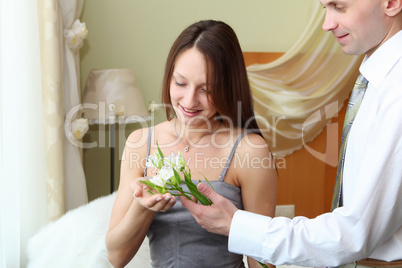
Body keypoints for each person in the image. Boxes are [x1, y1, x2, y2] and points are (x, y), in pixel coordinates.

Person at [180, 0, 402, 267]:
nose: (326, 24)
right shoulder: (376, 82)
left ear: (391, 3)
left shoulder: (396, 93)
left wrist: (236, 224)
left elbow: (355, 233)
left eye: (339, 7)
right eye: (324, 9)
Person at [105, 20, 278, 268]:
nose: (189, 100)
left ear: (228, 88)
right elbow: (116, 256)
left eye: (206, 89)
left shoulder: (250, 150)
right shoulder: (140, 143)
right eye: (180, 83)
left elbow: (261, 262)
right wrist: (144, 208)